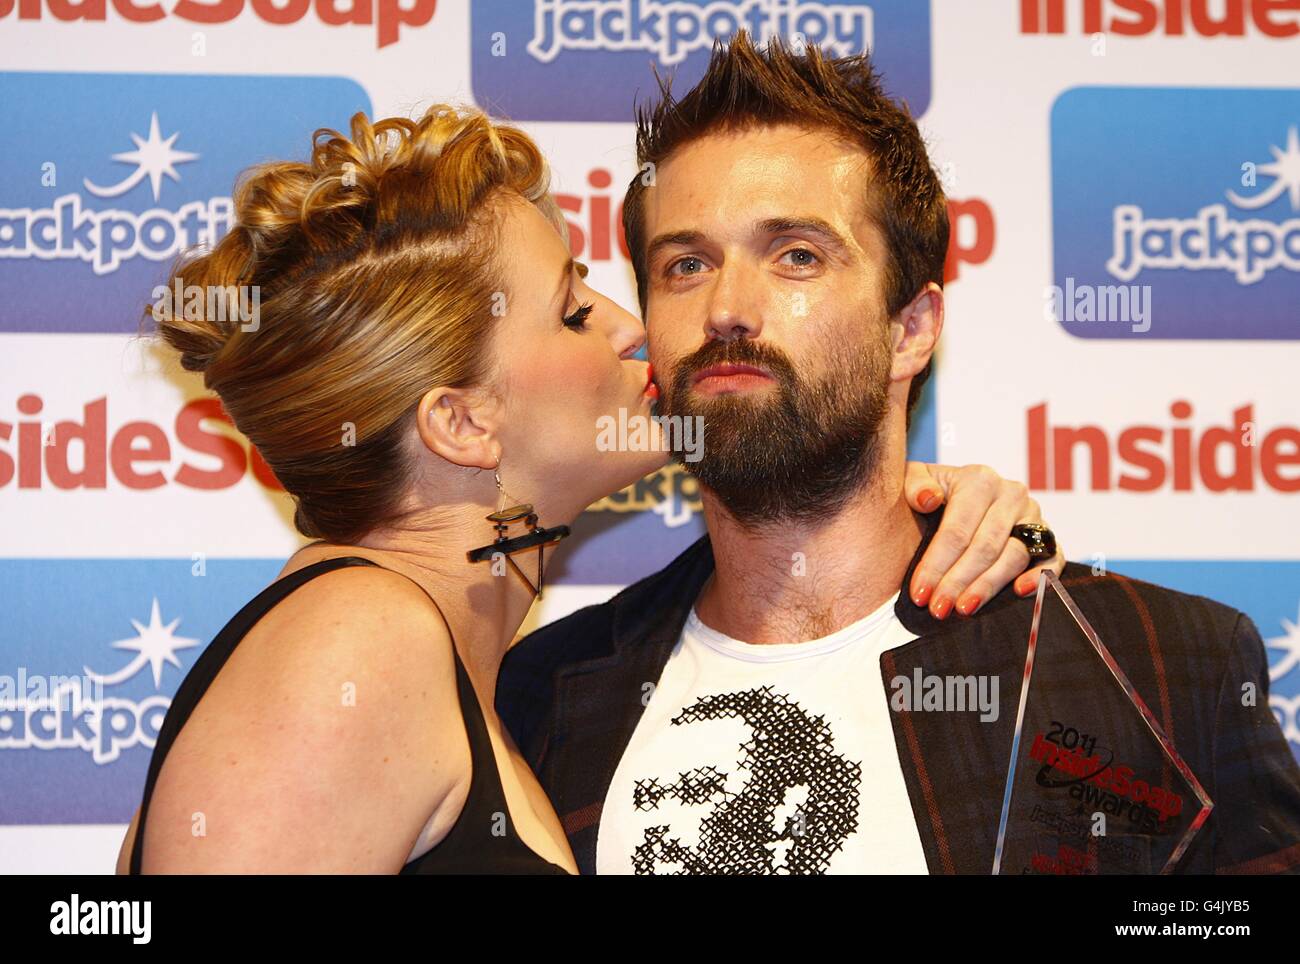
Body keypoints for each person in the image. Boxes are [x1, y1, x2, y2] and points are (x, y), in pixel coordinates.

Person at [114, 101, 1061, 874]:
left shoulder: (492, 685)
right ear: (463, 422)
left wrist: (910, 505)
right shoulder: (358, 643)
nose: (631, 324)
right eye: (572, 310)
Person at [495, 32, 1300, 875]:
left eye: (796, 255)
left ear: (910, 329)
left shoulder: (1161, 667)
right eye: (686, 263)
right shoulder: (542, 695)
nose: (728, 307)